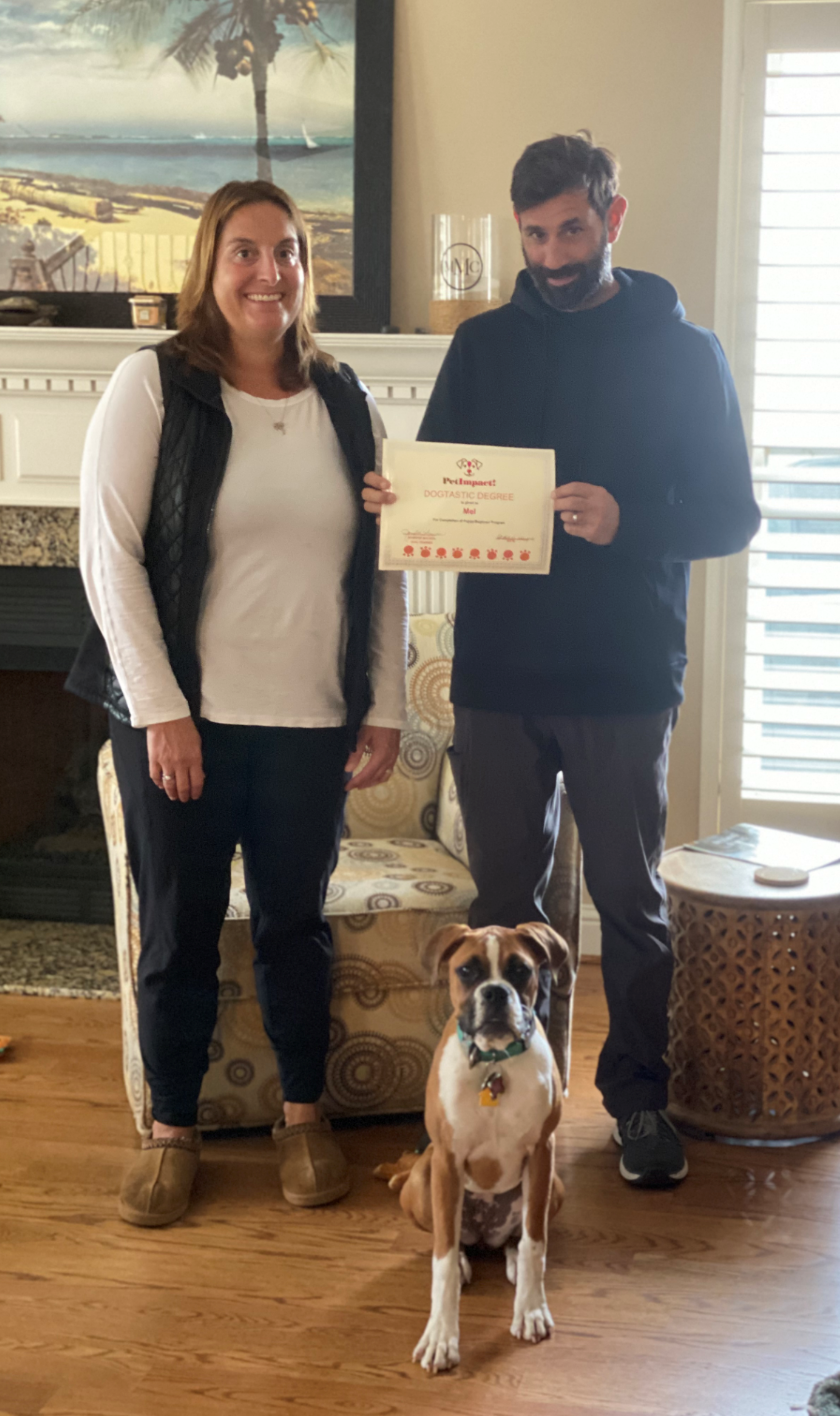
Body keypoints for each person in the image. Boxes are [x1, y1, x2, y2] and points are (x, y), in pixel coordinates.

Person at [363, 134, 760, 1188]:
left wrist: (628, 522)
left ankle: (637, 1102)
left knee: (630, 899)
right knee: (503, 905)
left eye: (571, 230)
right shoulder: (483, 346)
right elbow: (436, 485)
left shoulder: (686, 354)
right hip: (498, 676)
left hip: (624, 676)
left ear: (612, 218)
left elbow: (732, 515)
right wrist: (401, 501)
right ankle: (498, 1103)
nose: (551, 255)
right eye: (534, 235)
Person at [67, 179, 407, 1226]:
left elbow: (386, 566)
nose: (271, 272)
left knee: (295, 926)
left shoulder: (345, 399)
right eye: (246, 252)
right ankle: (172, 1131)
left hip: (311, 720)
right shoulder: (155, 385)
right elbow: (108, 555)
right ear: (210, 267)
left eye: (289, 251)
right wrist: (159, 708)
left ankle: (303, 1118)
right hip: (186, 721)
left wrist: (385, 704)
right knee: (178, 927)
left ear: (307, 267)